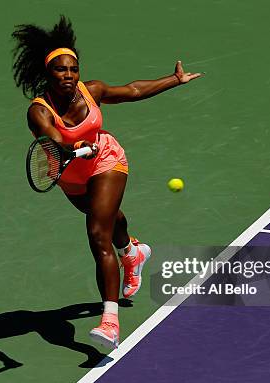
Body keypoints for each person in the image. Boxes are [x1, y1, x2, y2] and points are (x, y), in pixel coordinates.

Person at [11, 16, 202, 349]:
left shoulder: (92, 90)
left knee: (98, 233)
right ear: (47, 74)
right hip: (70, 173)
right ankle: (132, 252)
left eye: (73, 68)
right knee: (108, 218)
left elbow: (131, 90)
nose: (69, 75)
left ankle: (110, 322)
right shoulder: (38, 111)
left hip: (106, 159)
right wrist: (75, 148)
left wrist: (174, 79)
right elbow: (55, 139)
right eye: (60, 70)